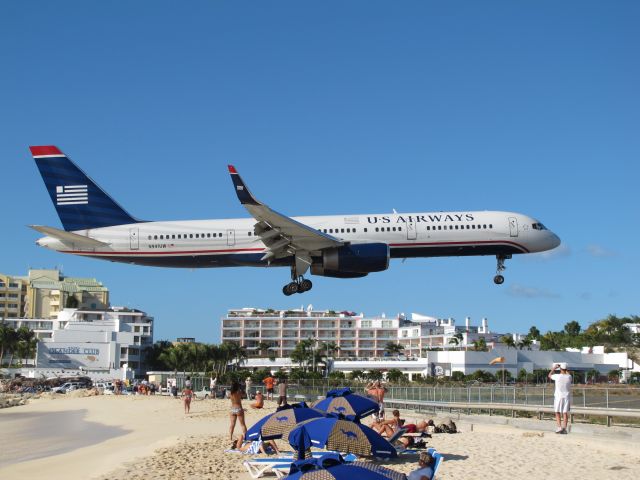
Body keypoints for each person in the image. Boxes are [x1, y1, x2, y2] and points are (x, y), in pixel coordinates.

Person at [548, 362, 572, 434]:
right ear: (566, 369)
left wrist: (554, 368)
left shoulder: (557, 376)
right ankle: (564, 428)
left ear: (560, 369)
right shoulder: (569, 377)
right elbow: (567, 373)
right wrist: (564, 368)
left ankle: (559, 428)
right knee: (565, 413)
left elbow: (549, 375)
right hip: (566, 396)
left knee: (557, 412)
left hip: (558, 396)